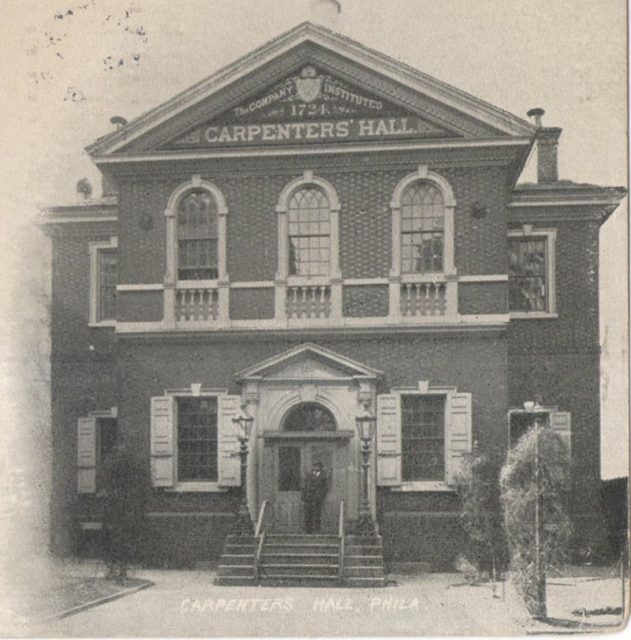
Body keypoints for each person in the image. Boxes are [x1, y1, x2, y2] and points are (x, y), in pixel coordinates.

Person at [302, 461, 329, 533]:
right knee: (308, 514)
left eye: (318, 466)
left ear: (320, 467)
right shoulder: (309, 475)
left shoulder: (323, 476)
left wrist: (320, 495)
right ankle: (308, 530)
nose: (316, 467)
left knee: (317, 514)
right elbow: (304, 486)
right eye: (315, 466)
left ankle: (317, 530)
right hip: (309, 498)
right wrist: (305, 497)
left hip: (318, 498)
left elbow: (325, 488)